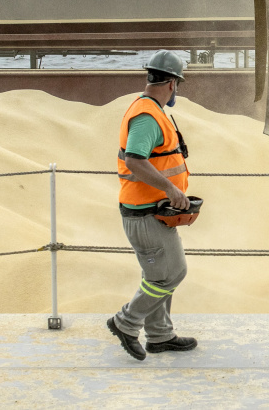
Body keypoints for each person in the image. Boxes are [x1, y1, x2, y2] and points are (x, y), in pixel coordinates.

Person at [106, 49, 197, 361]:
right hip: (145, 214)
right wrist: (171, 188)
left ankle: (160, 336)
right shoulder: (147, 116)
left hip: (152, 211)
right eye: (178, 85)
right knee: (171, 275)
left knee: (157, 275)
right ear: (171, 83)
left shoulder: (149, 108)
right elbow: (135, 160)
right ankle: (126, 322)